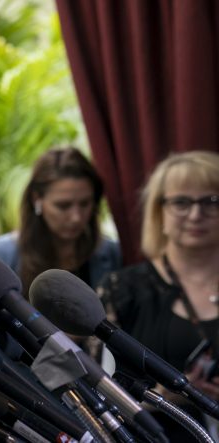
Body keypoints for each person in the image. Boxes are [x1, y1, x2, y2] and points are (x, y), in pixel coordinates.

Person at [97, 150, 219, 440]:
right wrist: (168, 394)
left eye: (211, 201)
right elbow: (93, 393)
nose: (195, 214)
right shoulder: (122, 290)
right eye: (181, 202)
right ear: (158, 212)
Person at [0, 147, 120, 294]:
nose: (76, 217)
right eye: (63, 206)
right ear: (37, 199)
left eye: (84, 204)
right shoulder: (4, 254)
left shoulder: (112, 254)